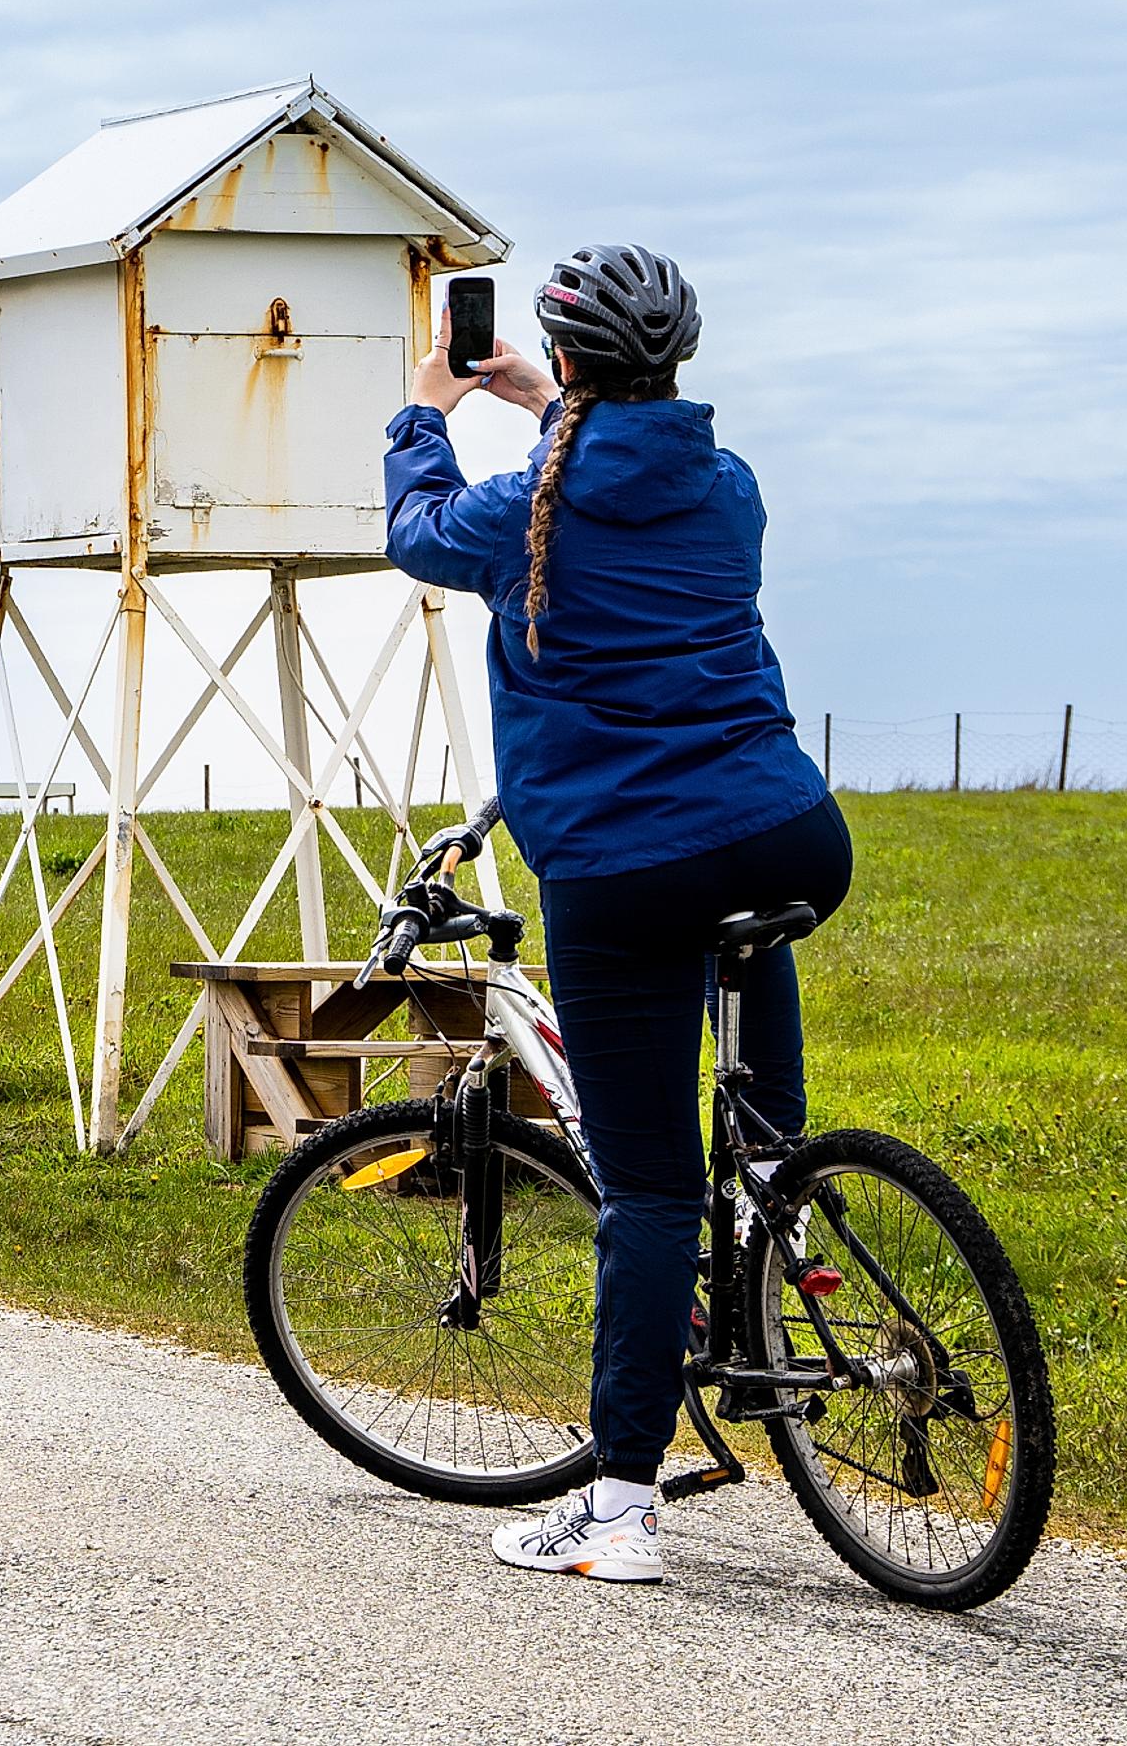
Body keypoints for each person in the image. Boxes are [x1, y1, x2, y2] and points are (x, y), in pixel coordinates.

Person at [387, 243, 845, 1589]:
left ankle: (619, 1511)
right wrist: (549, 403)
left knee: (644, 1192)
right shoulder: (728, 486)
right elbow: (623, 489)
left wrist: (425, 409)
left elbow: (419, 533)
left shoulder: (525, 505)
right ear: (673, 365)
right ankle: (778, 1184)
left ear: (571, 359)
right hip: (786, 829)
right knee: (745, 920)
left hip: (619, 860)